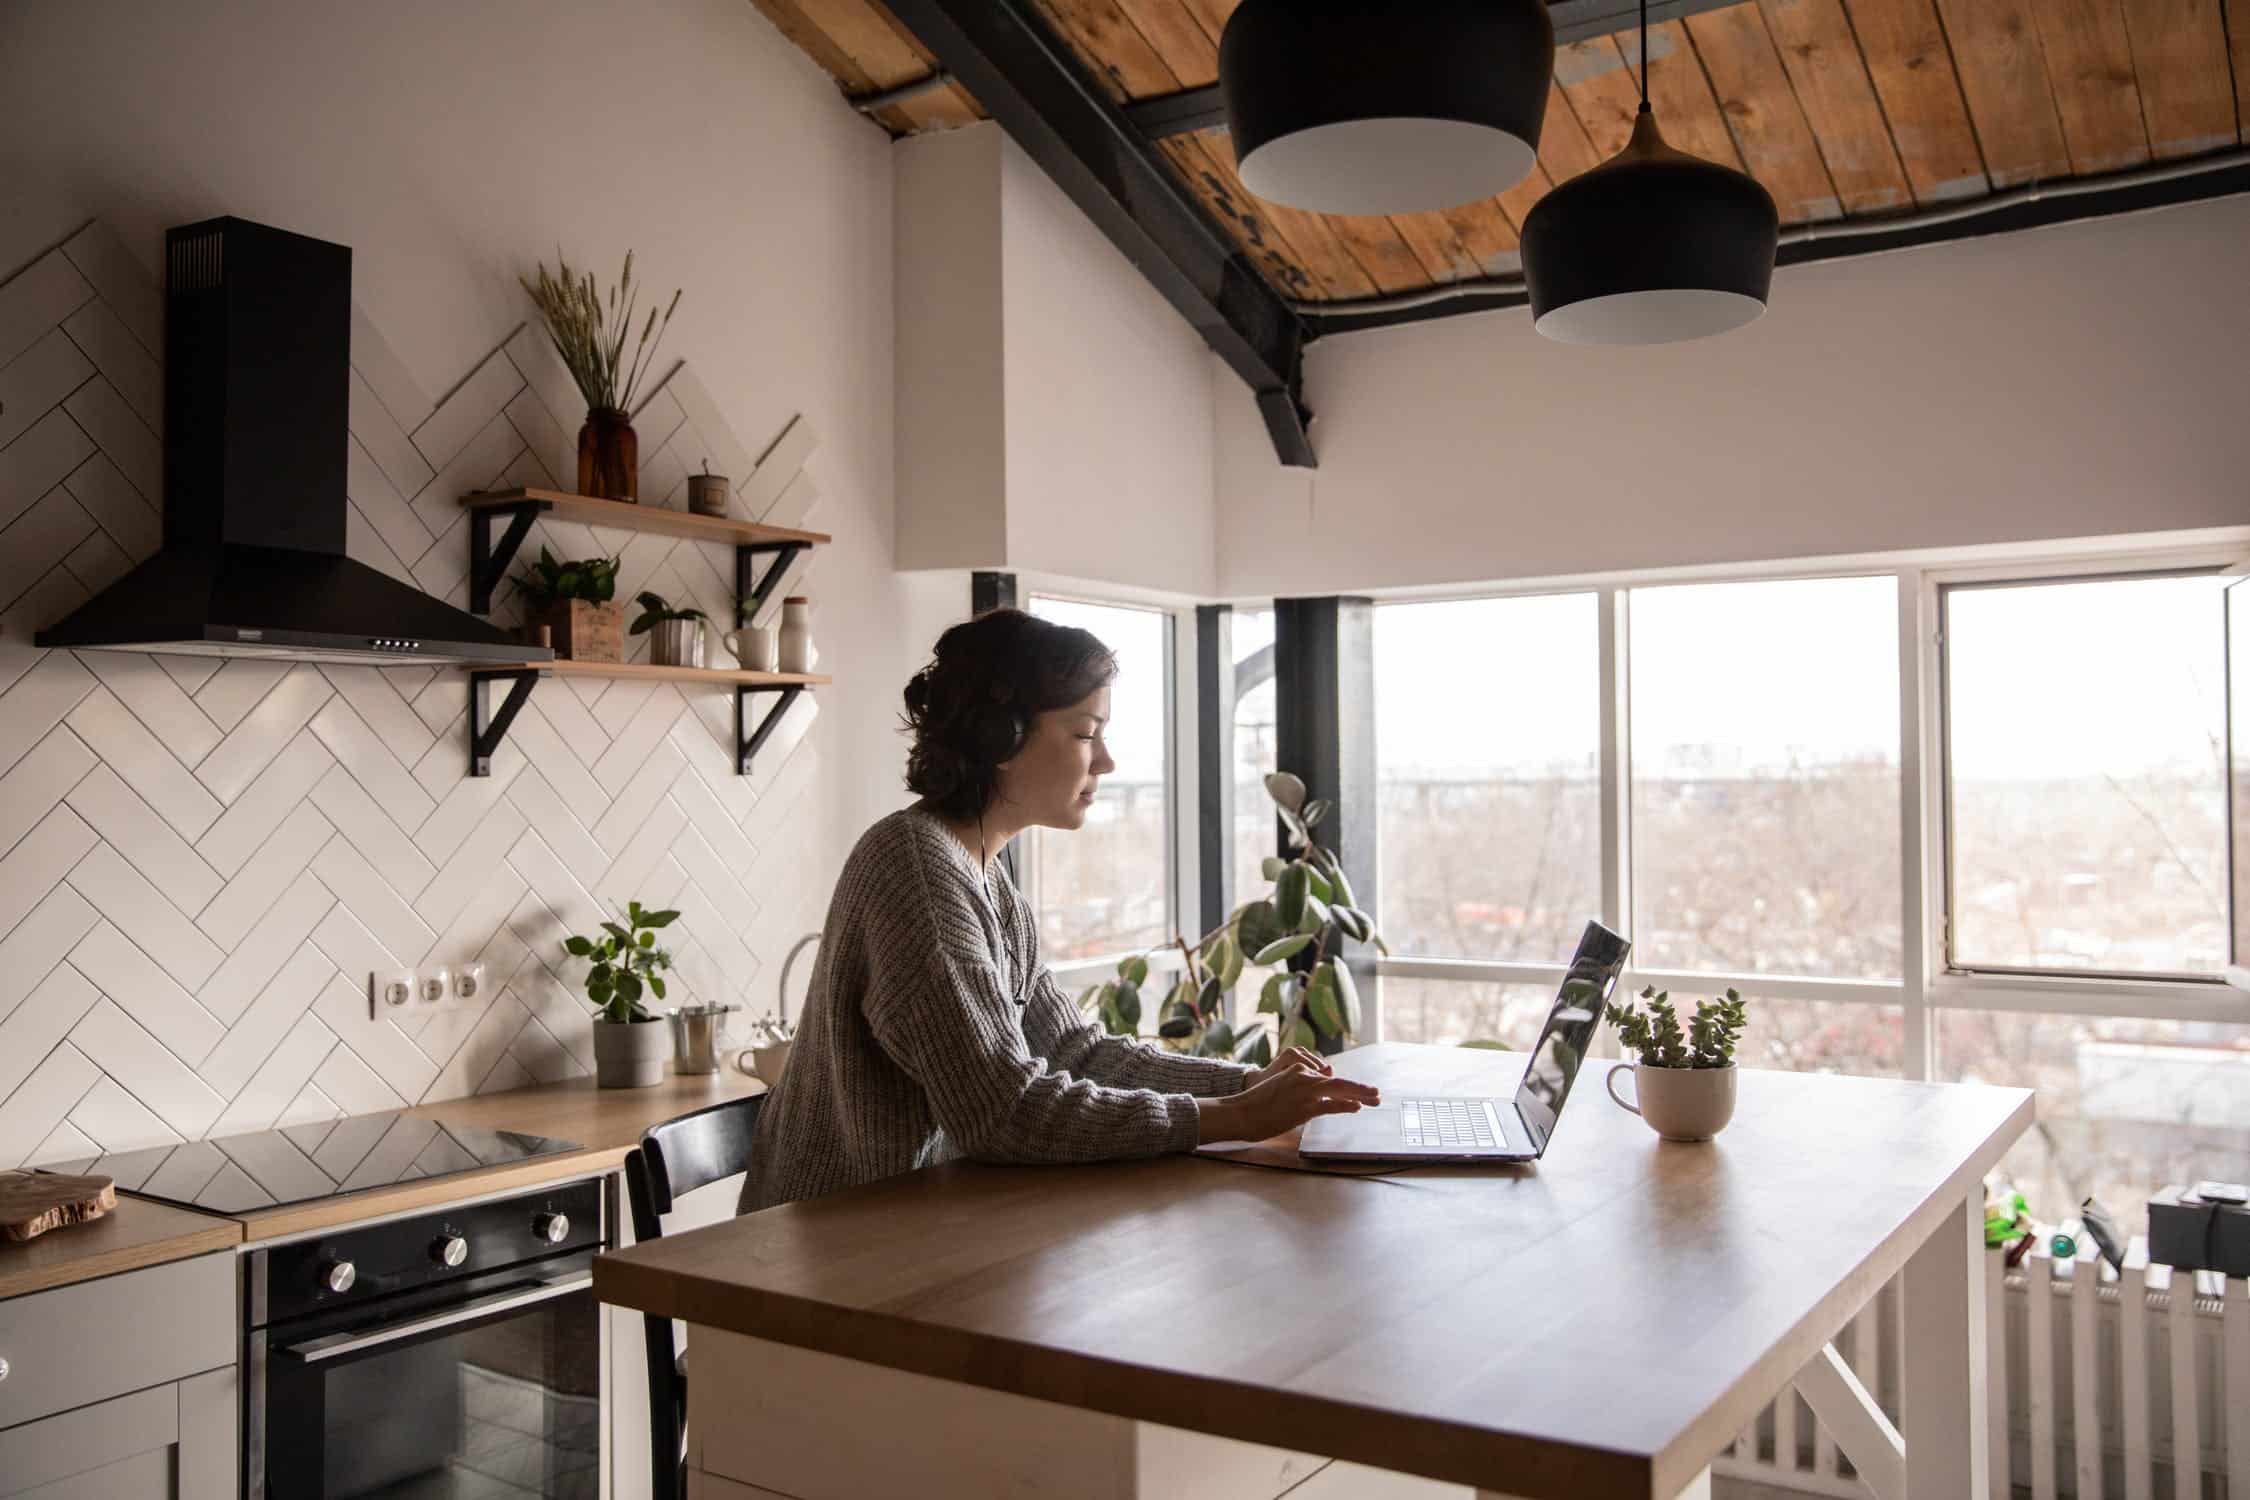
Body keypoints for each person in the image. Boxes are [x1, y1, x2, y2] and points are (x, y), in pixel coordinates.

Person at [740, 607, 1379, 1213]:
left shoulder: (983, 877)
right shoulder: (917, 873)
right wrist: (1234, 1118)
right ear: (1000, 738)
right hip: (820, 1258)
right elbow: (1002, 1112)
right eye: (1086, 733)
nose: (1106, 760)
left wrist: (1248, 1085)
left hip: (913, 1225)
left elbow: (1073, 1051)